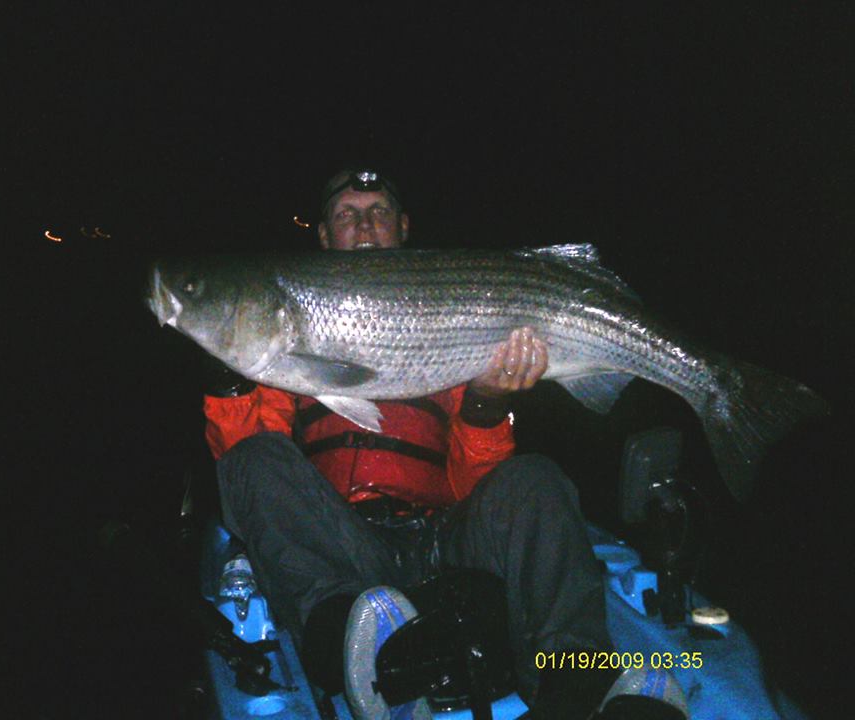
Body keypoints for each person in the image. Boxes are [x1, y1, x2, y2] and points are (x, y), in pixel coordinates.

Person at [203, 170, 683, 720]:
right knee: (258, 459)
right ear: (322, 236)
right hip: (341, 549)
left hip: (442, 541)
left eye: (379, 211)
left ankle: (575, 688)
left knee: (536, 481)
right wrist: (226, 374)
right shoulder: (282, 336)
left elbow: (480, 488)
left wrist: (483, 401)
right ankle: (361, 659)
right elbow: (244, 467)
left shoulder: (447, 318)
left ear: (404, 227)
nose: (364, 226)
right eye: (346, 214)